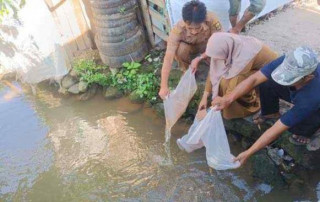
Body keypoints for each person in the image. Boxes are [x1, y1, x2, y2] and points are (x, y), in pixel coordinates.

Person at [211, 46, 320, 165]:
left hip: (315, 105)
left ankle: (310, 130)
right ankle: (271, 113)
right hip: (302, 92)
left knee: (297, 127)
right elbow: (254, 79)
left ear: (308, 77)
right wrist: (228, 99)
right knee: (268, 81)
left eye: (292, 78)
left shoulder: (312, 97)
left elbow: (276, 129)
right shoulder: (291, 61)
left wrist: (249, 152)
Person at [192, 32, 278, 119]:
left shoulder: (244, 56)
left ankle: (250, 105)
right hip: (252, 69)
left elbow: (236, 84)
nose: (216, 60)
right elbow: (214, 71)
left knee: (232, 82)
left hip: (270, 78)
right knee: (223, 78)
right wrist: (204, 98)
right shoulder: (229, 45)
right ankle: (221, 103)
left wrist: (209, 111)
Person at [158, 0, 222, 100]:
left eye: (197, 28)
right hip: (191, 48)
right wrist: (163, 86)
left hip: (207, 46)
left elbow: (219, 43)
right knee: (181, 50)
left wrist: (200, 58)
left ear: (203, 20)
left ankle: (208, 59)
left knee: (220, 54)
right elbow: (168, 57)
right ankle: (187, 70)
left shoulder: (212, 20)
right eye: (190, 28)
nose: (194, 32)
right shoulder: (178, 29)